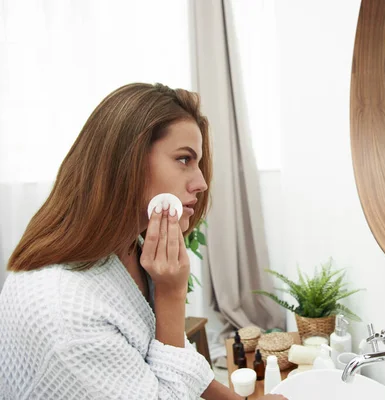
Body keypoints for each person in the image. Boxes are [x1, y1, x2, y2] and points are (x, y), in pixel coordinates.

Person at [0, 83, 287, 400]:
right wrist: (170, 294)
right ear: (126, 160)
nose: (202, 182)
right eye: (183, 159)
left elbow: (169, 358)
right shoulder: (65, 314)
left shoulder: (124, 250)